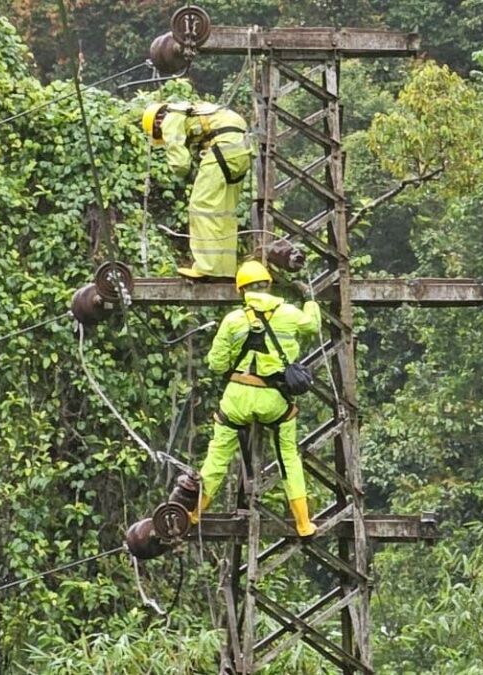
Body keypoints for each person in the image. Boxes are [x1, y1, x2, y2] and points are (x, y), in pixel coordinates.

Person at [193, 260, 321, 537]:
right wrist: (309, 300)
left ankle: (194, 513)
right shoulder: (289, 313)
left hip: (237, 399)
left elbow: (216, 364)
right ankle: (303, 523)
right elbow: (312, 326)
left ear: (242, 291)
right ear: (269, 284)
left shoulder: (233, 320)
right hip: (274, 400)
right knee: (288, 457)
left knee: (217, 457)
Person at [141, 101, 251, 280]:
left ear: (156, 124)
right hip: (240, 150)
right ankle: (225, 270)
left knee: (201, 208)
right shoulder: (191, 112)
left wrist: (184, 173)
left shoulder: (169, 119)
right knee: (224, 213)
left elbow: (180, 164)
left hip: (222, 147)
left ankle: (207, 268)